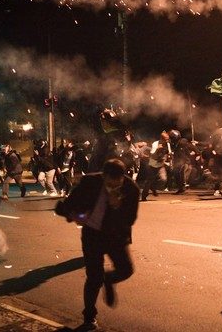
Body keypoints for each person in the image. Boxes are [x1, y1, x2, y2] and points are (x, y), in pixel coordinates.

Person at [55, 159, 139, 331]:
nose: (113, 186)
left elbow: (130, 219)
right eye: (109, 183)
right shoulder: (90, 183)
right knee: (93, 278)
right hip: (93, 235)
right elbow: (70, 204)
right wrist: (75, 215)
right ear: (103, 176)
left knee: (126, 270)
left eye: (117, 183)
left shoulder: (131, 189)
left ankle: (108, 280)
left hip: (116, 237)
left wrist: (117, 205)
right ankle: (89, 317)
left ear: (123, 177)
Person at [141, 131, 171, 201]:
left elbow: (168, 153)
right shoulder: (155, 144)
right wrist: (157, 149)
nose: (167, 141)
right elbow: (152, 155)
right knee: (149, 181)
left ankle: (153, 187)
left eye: (168, 139)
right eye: (165, 139)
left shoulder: (168, 144)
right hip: (153, 165)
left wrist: (169, 159)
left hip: (161, 165)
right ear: (161, 139)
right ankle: (144, 196)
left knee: (163, 180)